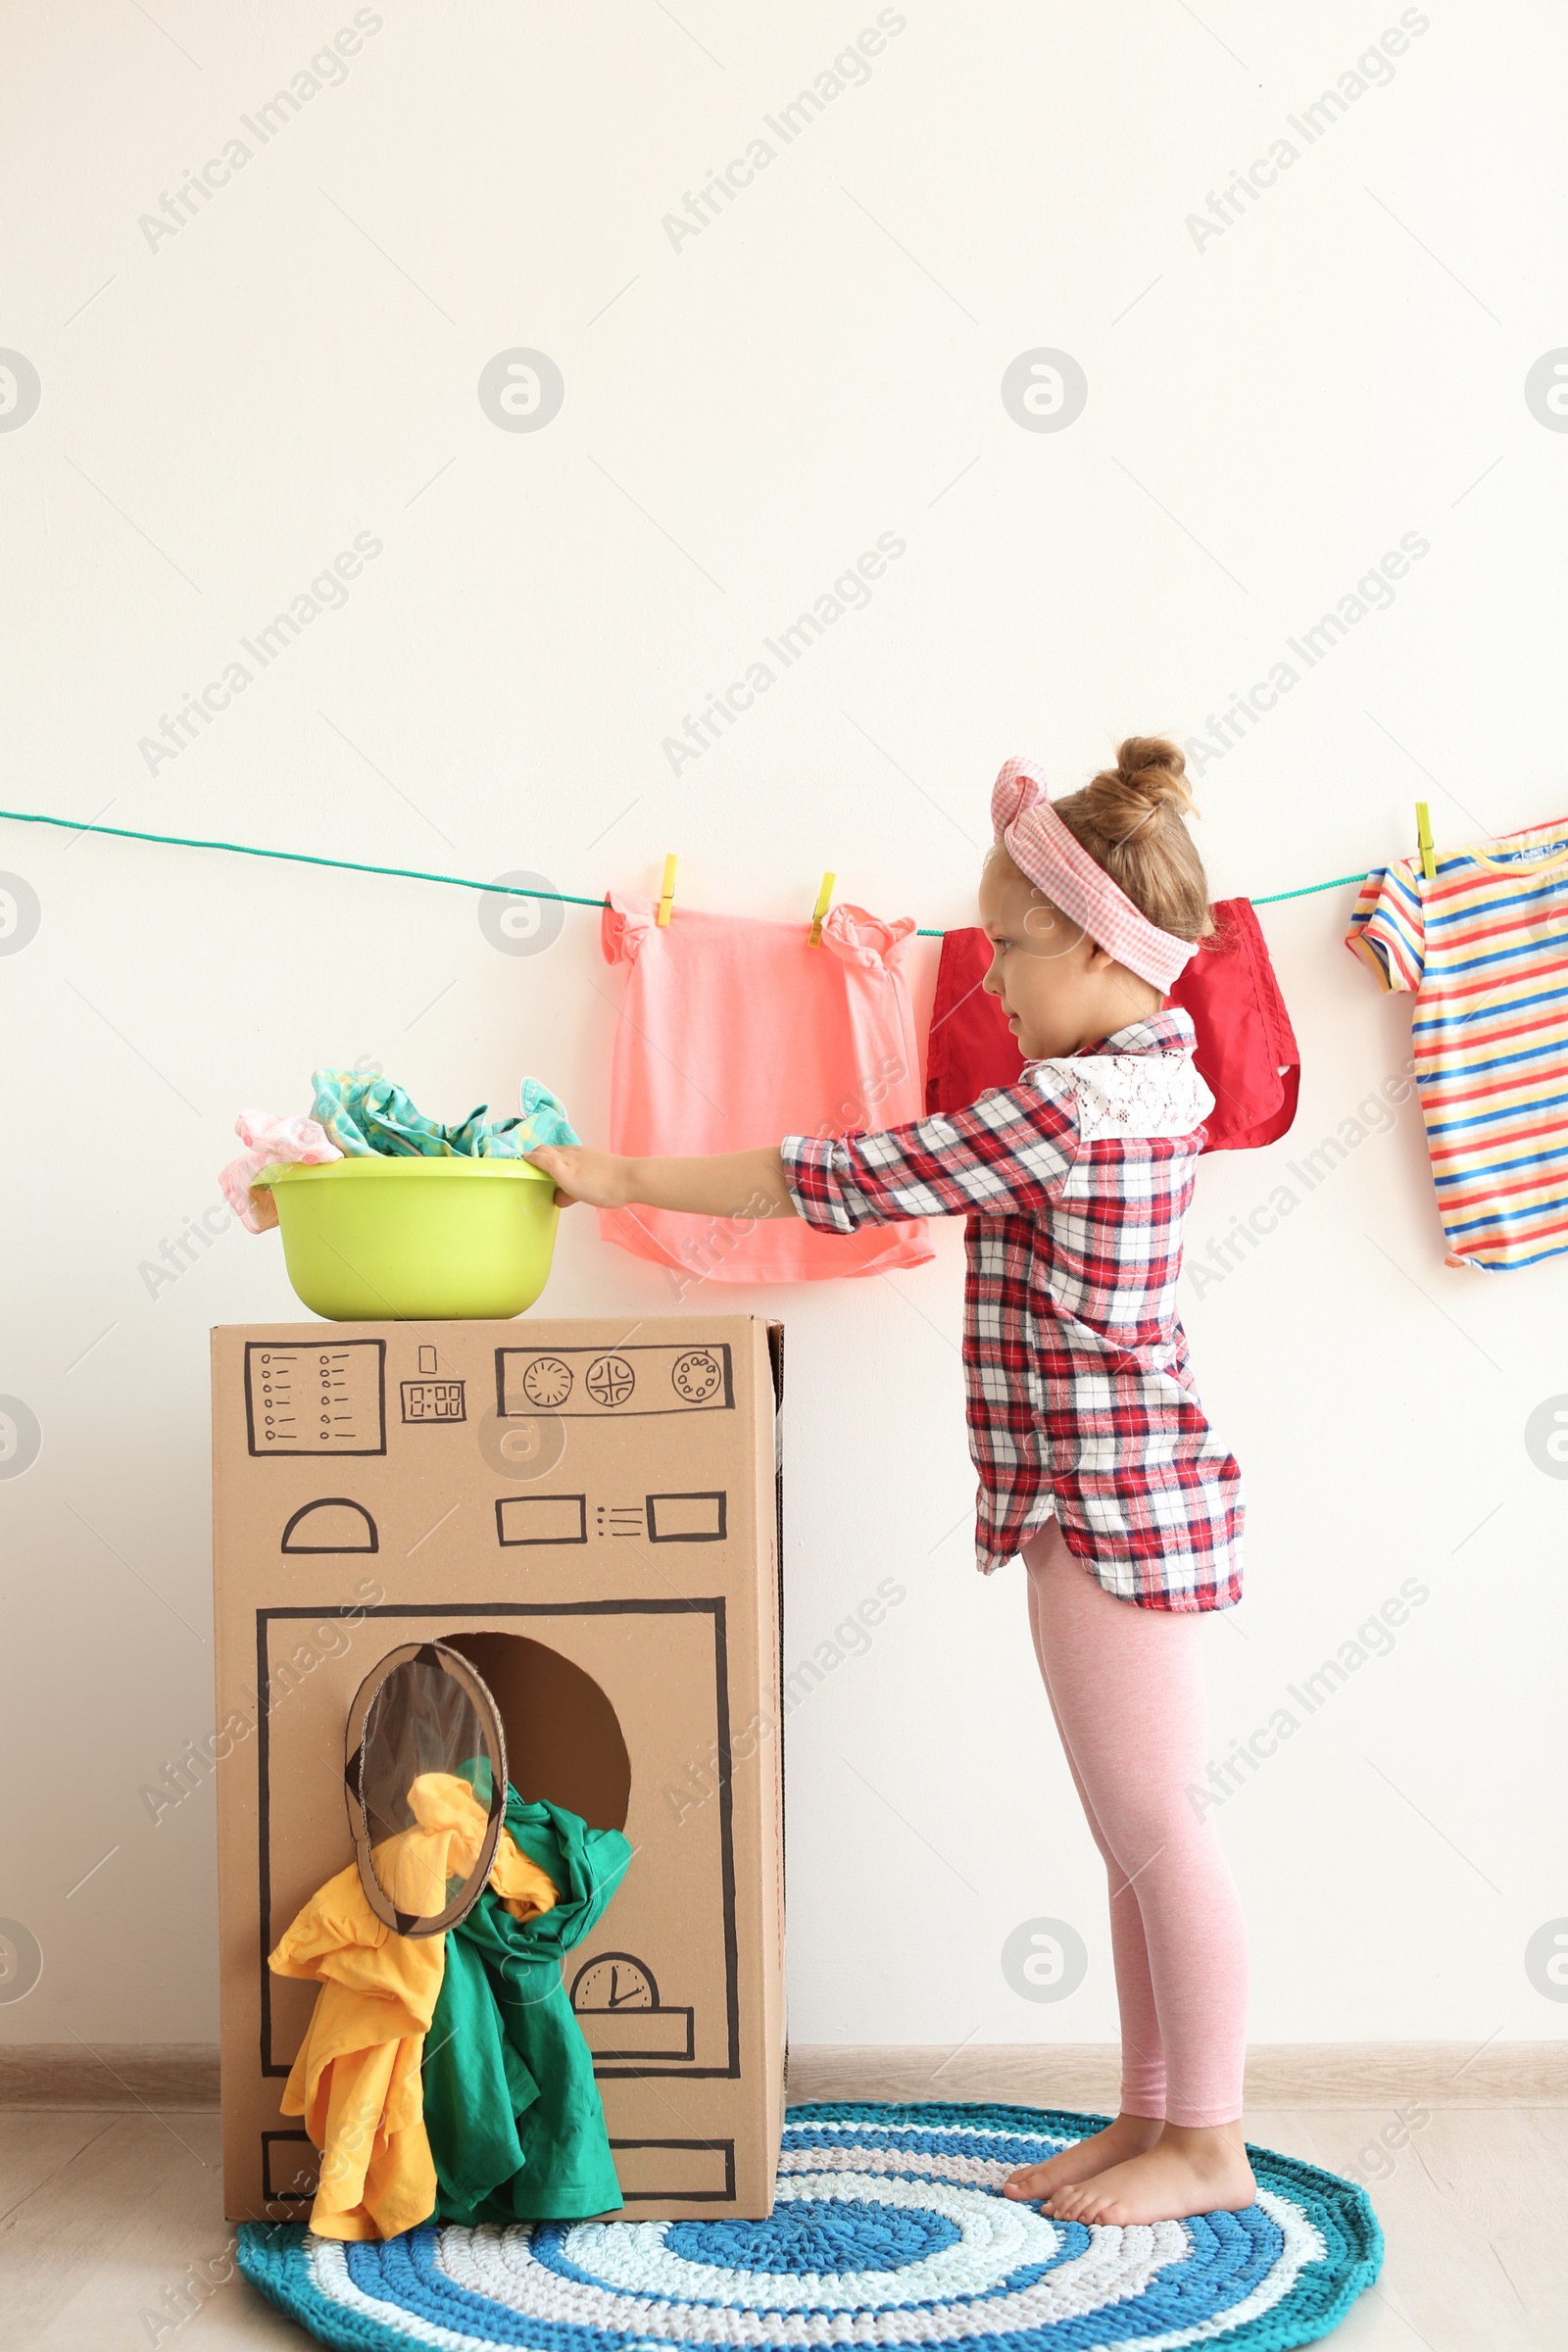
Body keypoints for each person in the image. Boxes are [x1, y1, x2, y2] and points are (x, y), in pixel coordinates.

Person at [525, 740, 1253, 2228]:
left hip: (1114, 1509)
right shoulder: (1140, 1083)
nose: (986, 991)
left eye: (1008, 957)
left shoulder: (1071, 1109)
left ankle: (1213, 2140)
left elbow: (847, 1176)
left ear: (1097, 949)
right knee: (1133, 1830)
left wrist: (618, 1179)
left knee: (1161, 1824)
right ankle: (1152, 2116)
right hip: (1106, 1498)